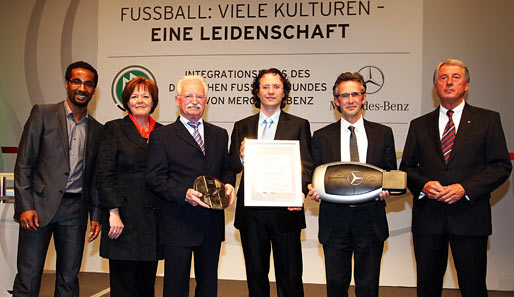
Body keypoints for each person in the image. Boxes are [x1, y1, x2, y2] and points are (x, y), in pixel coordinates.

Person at [399, 59, 512, 297]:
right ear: (435, 86)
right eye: (443, 77)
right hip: (428, 220)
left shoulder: (488, 120)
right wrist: (424, 185)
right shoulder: (419, 125)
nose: (449, 82)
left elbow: (500, 166)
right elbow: (407, 168)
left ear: (467, 85)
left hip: (470, 219)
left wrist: (465, 188)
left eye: (456, 77)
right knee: (427, 289)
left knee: (473, 288)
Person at [13, 61, 102, 297]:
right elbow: (24, 163)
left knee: (68, 279)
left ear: (94, 90)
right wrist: (26, 206)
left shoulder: (97, 130)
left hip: (75, 211)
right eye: (76, 81)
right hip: (38, 208)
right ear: (67, 84)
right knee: (28, 277)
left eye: (88, 84)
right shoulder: (42, 113)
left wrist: (96, 215)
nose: (82, 88)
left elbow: (94, 178)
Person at [145, 75, 236, 297]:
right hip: (178, 224)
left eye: (199, 96)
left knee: (208, 289)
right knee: (176, 289)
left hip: (211, 226)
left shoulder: (219, 134)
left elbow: (226, 168)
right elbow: (154, 177)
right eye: (188, 95)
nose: (194, 100)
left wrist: (230, 185)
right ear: (177, 100)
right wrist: (183, 194)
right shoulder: (162, 136)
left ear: (206, 101)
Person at [307, 72, 396, 297]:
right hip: (334, 221)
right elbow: (314, 177)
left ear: (364, 97)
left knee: (368, 287)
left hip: (371, 218)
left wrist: (388, 188)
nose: (350, 99)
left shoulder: (383, 133)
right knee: (336, 286)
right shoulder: (320, 136)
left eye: (355, 94)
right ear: (336, 100)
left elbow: (390, 173)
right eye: (344, 95)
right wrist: (313, 190)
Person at [228, 68, 313, 297]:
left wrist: (300, 193)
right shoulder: (241, 126)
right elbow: (232, 166)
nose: (271, 91)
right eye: (265, 86)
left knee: (291, 277)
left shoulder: (299, 125)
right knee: (256, 277)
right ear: (257, 92)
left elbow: (307, 166)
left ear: (284, 92)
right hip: (251, 214)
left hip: (286, 211)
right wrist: (241, 157)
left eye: (276, 86)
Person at [95, 77, 162, 297]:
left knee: (146, 288)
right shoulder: (114, 129)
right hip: (122, 221)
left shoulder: (163, 133)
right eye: (134, 96)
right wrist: (113, 212)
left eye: (146, 96)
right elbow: (104, 174)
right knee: (124, 288)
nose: (140, 100)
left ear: (154, 101)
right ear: (126, 101)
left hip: (152, 225)